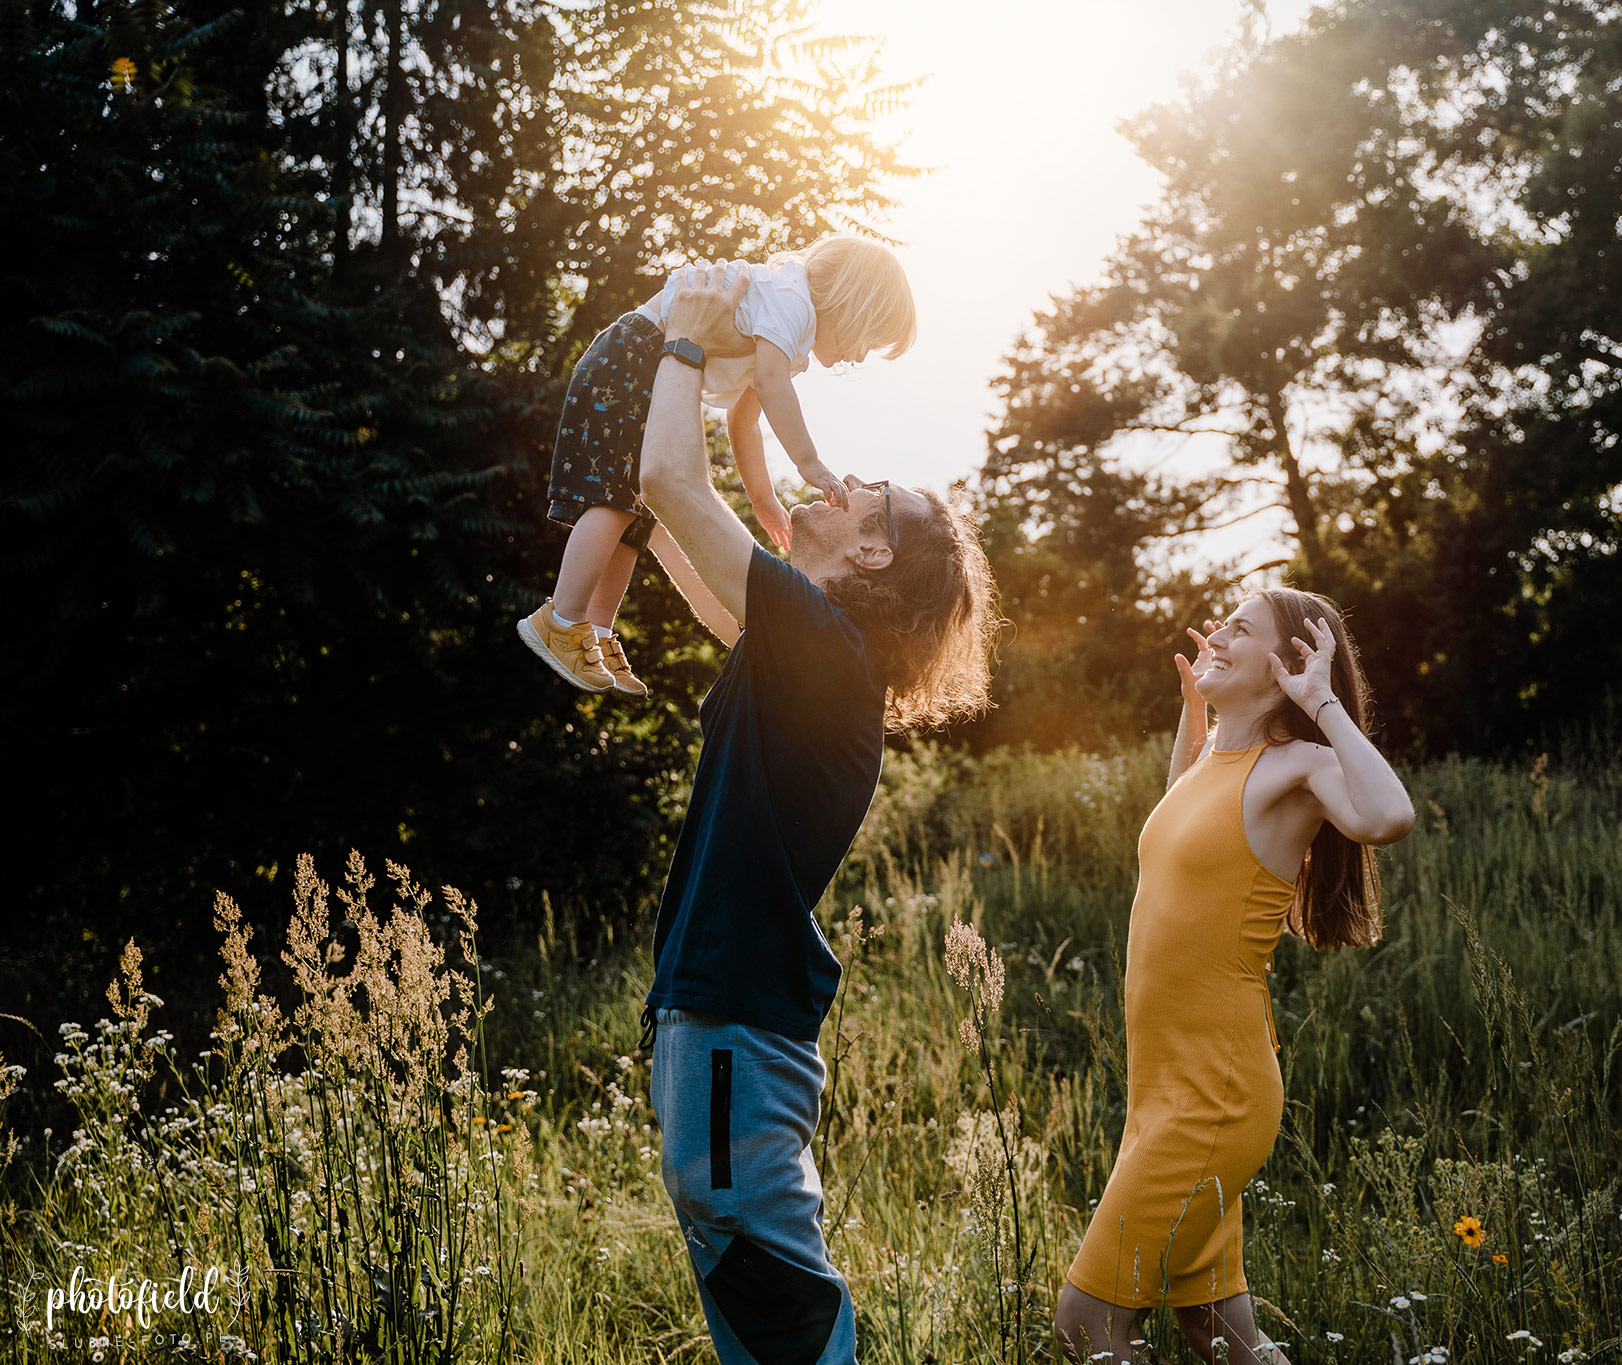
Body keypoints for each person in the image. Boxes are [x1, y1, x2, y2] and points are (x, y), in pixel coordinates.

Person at [627, 262, 994, 1365]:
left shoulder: (823, 650)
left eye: (868, 494)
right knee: (752, 1293)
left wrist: (684, 347)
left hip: (736, 1024)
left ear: (873, 553)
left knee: (774, 1290)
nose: (839, 485)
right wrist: (630, 505)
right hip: (722, 1022)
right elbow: (678, 533)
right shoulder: (805, 653)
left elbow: (668, 478)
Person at [1055, 590, 1415, 1365]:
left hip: (1213, 1096)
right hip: (1165, 1089)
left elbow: (1388, 816)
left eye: (1239, 629)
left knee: (1087, 1321)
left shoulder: (1299, 766)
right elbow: (1186, 830)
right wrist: (1198, 713)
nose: (1215, 633)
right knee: (1218, 1334)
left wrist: (1319, 700)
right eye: (1219, 622)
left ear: (1287, 663)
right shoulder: (1217, 763)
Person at [518, 236, 918, 697]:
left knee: (635, 513)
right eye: (869, 339)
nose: (861, 356)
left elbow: (743, 420)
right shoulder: (792, 301)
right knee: (613, 500)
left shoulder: (790, 335)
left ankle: (600, 631)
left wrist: (763, 498)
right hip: (635, 357)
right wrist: (809, 462)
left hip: (645, 363)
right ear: (853, 304)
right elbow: (769, 384)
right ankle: (563, 618)